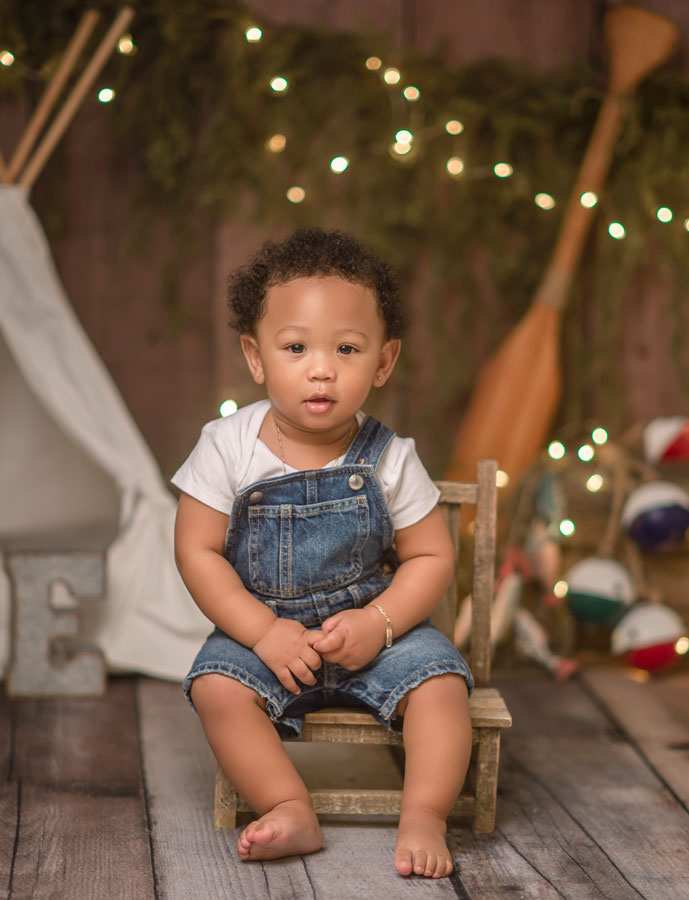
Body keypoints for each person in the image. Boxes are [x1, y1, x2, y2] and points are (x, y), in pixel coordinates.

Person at [172, 228, 473, 878]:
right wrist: (263, 631)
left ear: (384, 361)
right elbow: (197, 551)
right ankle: (288, 805)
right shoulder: (227, 447)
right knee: (217, 687)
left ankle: (424, 812)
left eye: (347, 348)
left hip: (371, 625)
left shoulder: (390, 456)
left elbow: (430, 559)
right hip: (261, 631)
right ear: (256, 357)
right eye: (296, 346)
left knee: (443, 684)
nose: (322, 368)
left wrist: (382, 623)